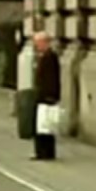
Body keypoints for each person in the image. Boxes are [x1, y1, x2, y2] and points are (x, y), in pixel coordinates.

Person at [32, 31, 61, 161]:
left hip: (47, 97)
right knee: (44, 126)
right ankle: (44, 152)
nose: (36, 45)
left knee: (45, 126)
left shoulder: (49, 57)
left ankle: (45, 153)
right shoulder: (45, 56)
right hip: (45, 96)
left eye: (37, 43)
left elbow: (51, 79)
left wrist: (49, 95)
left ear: (44, 42)